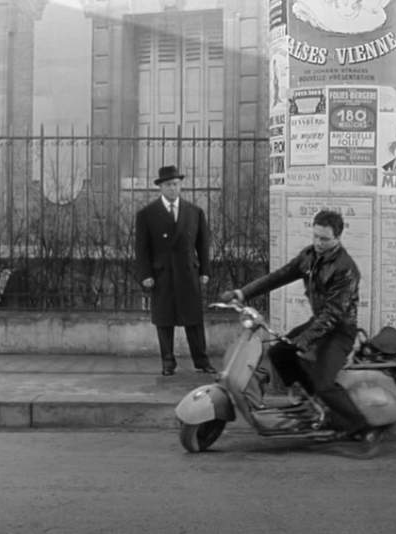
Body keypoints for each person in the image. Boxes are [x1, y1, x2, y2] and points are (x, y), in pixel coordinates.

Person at [221, 209, 381, 445]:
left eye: (324, 239)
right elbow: (279, 276)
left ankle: (361, 427)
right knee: (278, 352)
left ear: (338, 237)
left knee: (324, 383)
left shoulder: (346, 269)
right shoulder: (309, 256)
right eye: (315, 236)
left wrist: (305, 339)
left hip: (339, 330)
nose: (318, 242)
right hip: (318, 322)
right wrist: (242, 292)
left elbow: (333, 314)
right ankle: (310, 398)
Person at [135, 164, 216, 376]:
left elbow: (202, 245)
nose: (173, 188)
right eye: (169, 185)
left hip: (188, 273)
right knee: (164, 320)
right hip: (162, 275)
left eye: (176, 184)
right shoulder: (147, 214)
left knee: (194, 320)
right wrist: (145, 275)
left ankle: (202, 361)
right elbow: (141, 249)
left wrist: (205, 271)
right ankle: (168, 362)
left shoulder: (194, 212)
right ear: (160, 187)